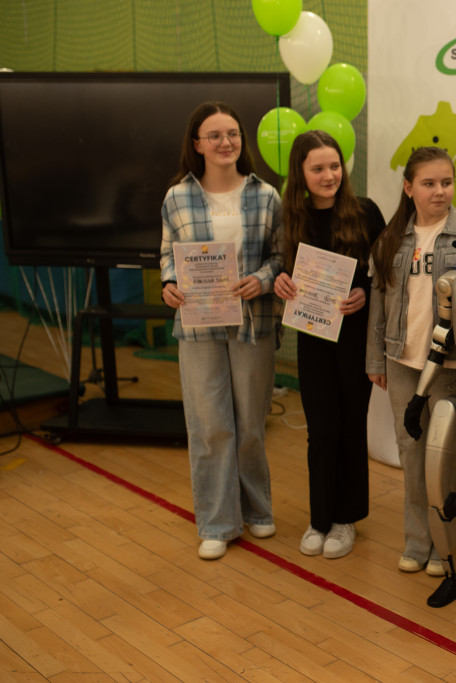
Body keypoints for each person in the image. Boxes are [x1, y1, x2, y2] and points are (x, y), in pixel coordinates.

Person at [159, 101, 283, 560]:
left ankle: (257, 510)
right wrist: (169, 282)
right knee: (210, 425)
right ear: (198, 144)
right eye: (215, 135)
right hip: (198, 326)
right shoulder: (177, 197)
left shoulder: (266, 195)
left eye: (232, 133)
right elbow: (168, 253)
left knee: (250, 423)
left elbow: (280, 256)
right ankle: (217, 522)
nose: (226, 142)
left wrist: (263, 280)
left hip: (254, 323)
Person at [273, 130, 385, 559]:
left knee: (350, 426)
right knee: (321, 430)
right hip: (313, 336)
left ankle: (345, 520)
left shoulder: (366, 212)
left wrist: (366, 293)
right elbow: (282, 270)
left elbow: (386, 273)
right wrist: (281, 281)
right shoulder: (293, 217)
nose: (328, 175)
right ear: (301, 172)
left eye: (334, 166)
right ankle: (319, 519)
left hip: (354, 338)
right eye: (317, 168)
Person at [366, 146, 456, 577]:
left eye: (446, 182)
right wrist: (376, 358)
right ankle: (418, 541)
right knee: (412, 453)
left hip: (453, 365)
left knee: (450, 456)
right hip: (402, 360)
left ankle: (452, 543)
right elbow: (379, 304)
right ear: (409, 188)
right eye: (428, 183)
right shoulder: (392, 239)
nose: (439, 191)